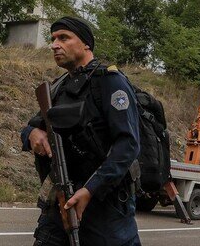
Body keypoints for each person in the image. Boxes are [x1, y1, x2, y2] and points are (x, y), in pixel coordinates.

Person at [20, 16, 141, 246]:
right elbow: (30, 127)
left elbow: (128, 145)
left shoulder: (110, 82)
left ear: (86, 43)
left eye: (64, 38)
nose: (55, 44)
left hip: (105, 206)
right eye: (53, 39)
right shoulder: (58, 87)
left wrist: (89, 190)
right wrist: (32, 135)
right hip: (61, 201)